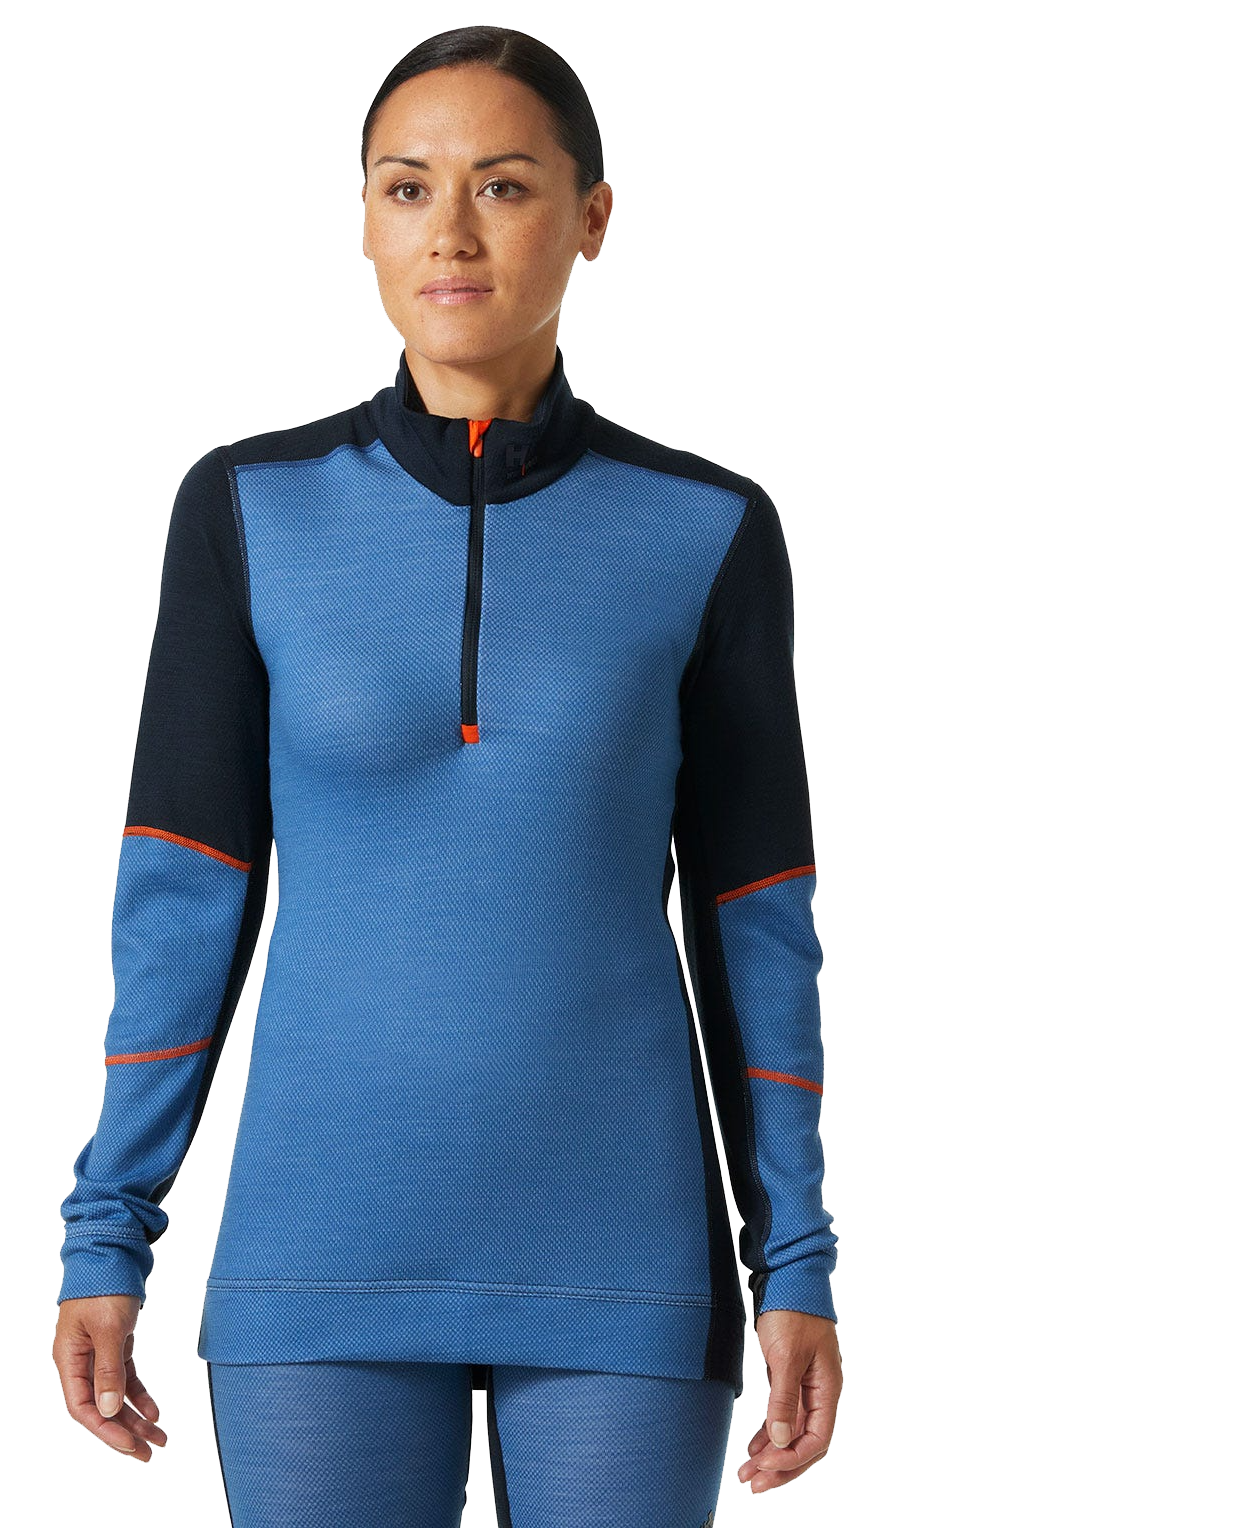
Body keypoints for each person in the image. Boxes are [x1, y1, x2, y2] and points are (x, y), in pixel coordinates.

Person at [51, 24, 844, 1525]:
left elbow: (758, 924)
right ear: (362, 219)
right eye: (407, 189)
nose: (452, 234)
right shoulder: (249, 509)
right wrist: (109, 1233)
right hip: (320, 1245)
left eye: (506, 186)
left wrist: (792, 1257)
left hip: (623, 1248)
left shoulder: (707, 530)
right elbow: (181, 903)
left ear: (592, 218)